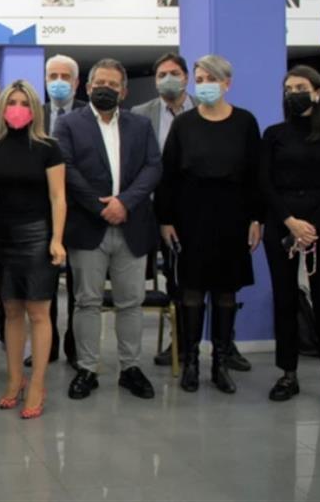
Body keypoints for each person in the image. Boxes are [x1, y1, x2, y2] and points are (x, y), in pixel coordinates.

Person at [54, 59, 162, 401]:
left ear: (124, 91)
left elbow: (153, 167)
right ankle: (87, 368)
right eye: (99, 83)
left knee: (131, 302)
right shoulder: (68, 124)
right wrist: (100, 206)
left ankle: (130, 368)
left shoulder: (140, 125)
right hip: (88, 227)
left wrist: (124, 203)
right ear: (88, 87)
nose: (105, 88)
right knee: (86, 301)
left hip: (131, 225)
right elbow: (66, 168)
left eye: (113, 84)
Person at [156, 54, 262, 396]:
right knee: (191, 291)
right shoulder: (184, 124)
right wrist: (165, 219)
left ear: (226, 83)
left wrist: (257, 217)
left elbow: (256, 175)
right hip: (191, 218)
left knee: (225, 292)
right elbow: (168, 176)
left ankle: (220, 363)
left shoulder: (245, 122)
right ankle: (190, 362)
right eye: (199, 80)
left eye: (211, 79)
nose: (204, 86)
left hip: (233, 217)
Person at [0, 80, 66, 420]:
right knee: (11, 310)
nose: (17, 108)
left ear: (34, 109)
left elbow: (58, 197)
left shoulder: (49, 147)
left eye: (24, 102)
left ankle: (37, 384)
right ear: (2, 108)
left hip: (38, 236)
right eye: (11, 102)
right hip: (3, 237)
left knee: (39, 312)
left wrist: (57, 239)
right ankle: (15, 380)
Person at [260, 66, 320, 409]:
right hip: (282, 224)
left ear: (317, 92)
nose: (293, 93)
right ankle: (288, 373)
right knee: (284, 301)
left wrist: (311, 227)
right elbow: (264, 182)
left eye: (300, 87)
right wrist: (290, 222)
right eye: (289, 89)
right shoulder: (274, 134)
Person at [132, 52, 196, 368]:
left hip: (194, 209)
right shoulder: (141, 114)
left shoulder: (202, 109)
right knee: (173, 279)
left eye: (174, 73)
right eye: (161, 75)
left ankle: (217, 344)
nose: (168, 79)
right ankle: (179, 343)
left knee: (202, 279)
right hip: (152, 208)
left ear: (186, 77)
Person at [40, 54, 85, 368]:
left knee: (79, 287)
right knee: (45, 285)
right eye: (52, 76)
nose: (58, 82)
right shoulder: (35, 115)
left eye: (64, 77)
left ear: (76, 82)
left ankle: (75, 346)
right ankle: (49, 346)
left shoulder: (88, 114)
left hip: (81, 210)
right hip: (43, 211)